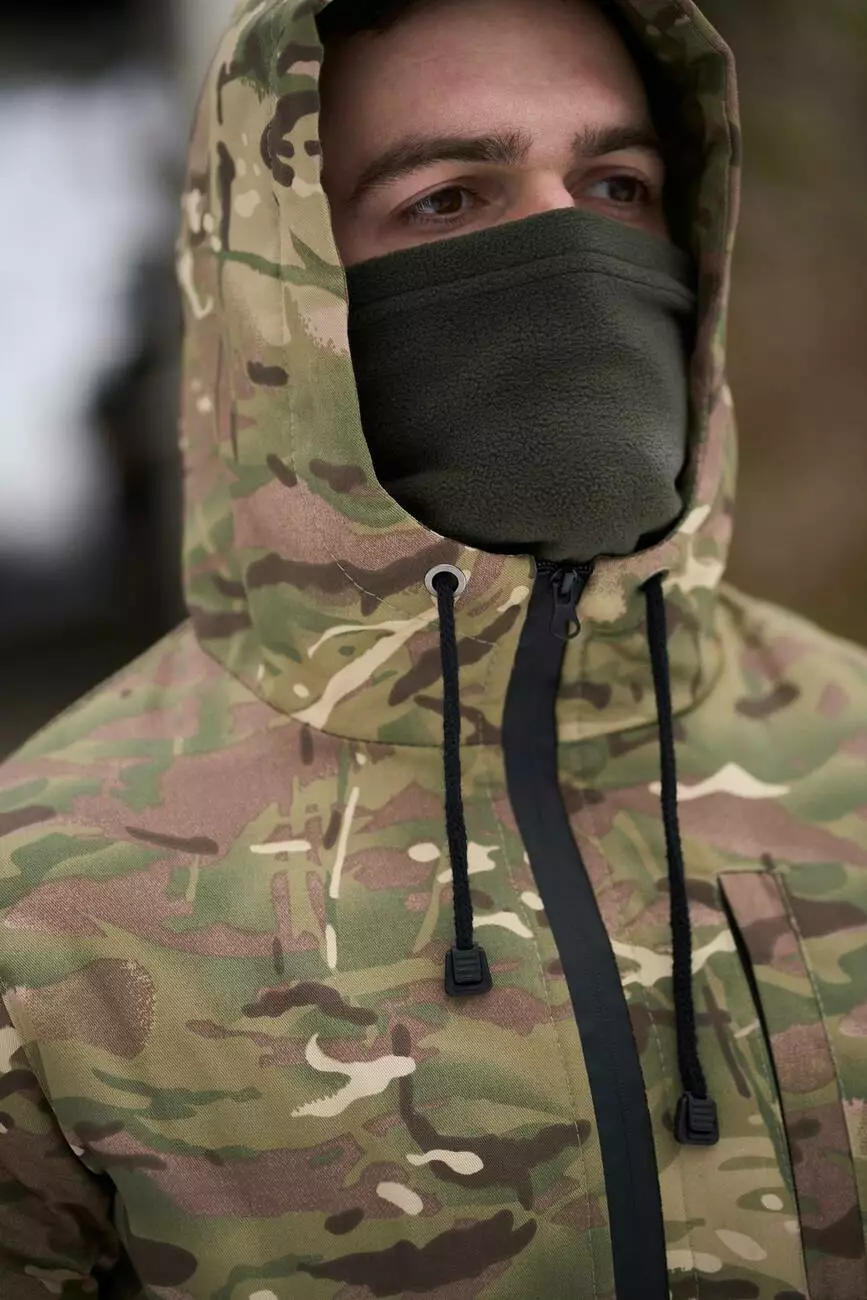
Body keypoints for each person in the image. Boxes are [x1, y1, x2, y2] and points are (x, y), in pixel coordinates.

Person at [0, 0, 865, 1295]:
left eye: (616, 186)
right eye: (448, 199)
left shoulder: (851, 747)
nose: (570, 245)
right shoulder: (48, 900)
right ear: (281, 285)